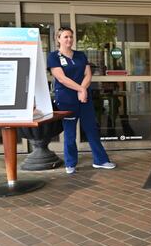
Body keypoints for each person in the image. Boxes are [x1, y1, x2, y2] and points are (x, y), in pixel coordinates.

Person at [47, 27, 116, 175]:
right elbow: (61, 78)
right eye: (65, 37)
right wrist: (81, 89)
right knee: (70, 133)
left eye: (71, 37)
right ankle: (70, 163)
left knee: (91, 129)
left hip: (84, 98)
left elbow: (87, 74)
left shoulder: (80, 55)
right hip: (66, 99)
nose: (69, 40)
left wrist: (82, 90)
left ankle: (100, 160)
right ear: (58, 39)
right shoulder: (53, 57)